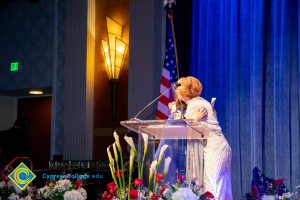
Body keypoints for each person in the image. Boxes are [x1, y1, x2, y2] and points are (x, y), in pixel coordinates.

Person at [175, 76, 232, 199]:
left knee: (213, 188)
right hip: (219, 148)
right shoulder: (202, 102)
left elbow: (184, 130)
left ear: (182, 92)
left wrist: (192, 119)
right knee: (222, 188)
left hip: (214, 150)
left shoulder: (194, 106)